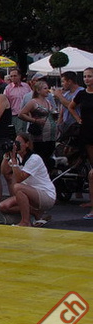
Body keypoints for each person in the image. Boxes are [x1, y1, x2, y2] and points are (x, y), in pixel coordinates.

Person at [0, 133, 56, 226]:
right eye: (15, 143)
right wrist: (6, 155)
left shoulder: (34, 159)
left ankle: (25, 221)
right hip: (28, 193)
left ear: (27, 144)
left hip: (46, 195)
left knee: (18, 187)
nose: (16, 145)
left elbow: (19, 179)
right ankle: (35, 212)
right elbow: (4, 171)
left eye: (18, 143)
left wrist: (14, 162)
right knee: (3, 206)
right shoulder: (18, 157)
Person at [68, 67, 93, 217]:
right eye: (85, 77)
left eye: (89, 76)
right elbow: (71, 107)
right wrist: (78, 119)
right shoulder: (82, 94)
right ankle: (91, 200)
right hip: (87, 131)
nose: (87, 79)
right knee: (91, 167)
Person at [18, 80, 58, 168]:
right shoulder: (33, 102)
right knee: (40, 156)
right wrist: (34, 120)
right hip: (39, 135)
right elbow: (21, 114)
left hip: (50, 135)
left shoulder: (47, 101)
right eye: (45, 88)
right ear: (38, 90)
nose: (47, 90)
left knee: (48, 155)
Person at [52, 71, 83, 135]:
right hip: (66, 126)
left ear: (69, 81)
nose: (62, 84)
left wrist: (59, 95)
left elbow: (70, 106)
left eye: (63, 82)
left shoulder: (81, 92)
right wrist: (58, 125)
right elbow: (62, 111)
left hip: (77, 125)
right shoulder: (66, 94)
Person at [5, 68, 31, 134]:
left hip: (27, 115)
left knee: (27, 133)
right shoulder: (8, 88)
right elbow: (5, 102)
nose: (13, 78)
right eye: (11, 76)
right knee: (18, 133)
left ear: (19, 76)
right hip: (15, 115)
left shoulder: (26, 86)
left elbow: (31, 98)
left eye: (15, 76)